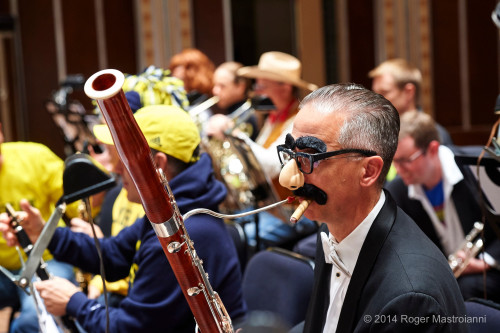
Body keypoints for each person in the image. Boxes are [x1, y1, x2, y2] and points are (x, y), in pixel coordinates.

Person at [0, 105, 247, 332]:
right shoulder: (169, 212)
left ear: (157, 164)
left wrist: (74, 303)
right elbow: (112, 255)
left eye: (122, 158)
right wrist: (43, 233)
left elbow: (131, 329)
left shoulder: (185, 230)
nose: (115, 169)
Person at [278, 84, 467, 332]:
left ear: (368, 171)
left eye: (310, 157)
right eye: (291, 155)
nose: (288, 178)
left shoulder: (410, 299)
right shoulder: (331, 231)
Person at [206, 51, 319, 249]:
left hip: (294, 211)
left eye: (261, 86)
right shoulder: (272, 118)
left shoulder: (298, 121)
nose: (256, 92)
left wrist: (233, 133)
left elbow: (271, 166)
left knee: (240, 240)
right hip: (269, 209)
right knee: (222, 229)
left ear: (285, 87)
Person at [385, 110, 500, 303]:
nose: (398, 169)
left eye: (406, 160)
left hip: (491, 269)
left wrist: (486, 261)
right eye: (394, 161)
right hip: (442, 279)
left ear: (432, 149)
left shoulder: (478, 166)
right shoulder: (398, 189)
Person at [0, 122, 79, 333]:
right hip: (3, 271)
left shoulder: (35, 157)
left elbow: (80, 207)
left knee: (33, 322)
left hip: (47, 258)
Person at [369, 58, 453, 148]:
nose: (375, 99)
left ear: (409, 92)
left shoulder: (433, 134)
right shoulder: (374, 131)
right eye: (374, 93)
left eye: (384, 92)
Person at [206, 61, 258, 140]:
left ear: (240, 87)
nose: (215, 90)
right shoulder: (233, 111)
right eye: (215, 85)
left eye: (222, 86)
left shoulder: (247, 115)